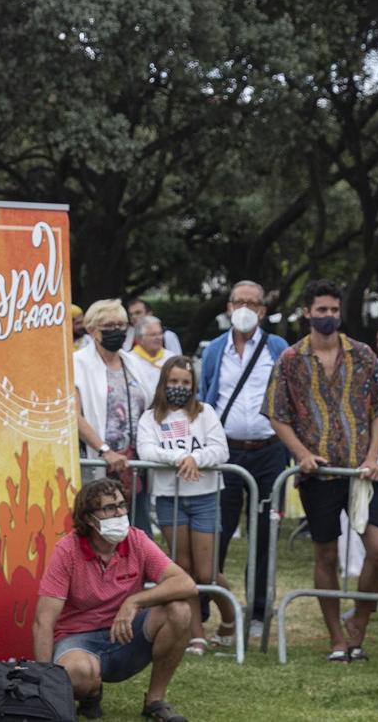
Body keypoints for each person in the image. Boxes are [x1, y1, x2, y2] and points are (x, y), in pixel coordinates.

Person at [266, 280, 378, 663]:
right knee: (325, 555)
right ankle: (337, 637)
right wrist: (302, 454)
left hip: (363, 473)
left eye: (333, 310)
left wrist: (373, 456)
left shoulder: (364, 354)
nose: (328, 316)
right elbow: (277, 414)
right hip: (319, 474)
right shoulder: (291, 358)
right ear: (307, 312)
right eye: (321, 310)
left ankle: (360, 625)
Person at [34, 476, 196, 722]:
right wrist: (45, 684)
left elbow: (185, 583)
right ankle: (91, 691)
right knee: (77, 674)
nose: (120, 513)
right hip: (78, 640)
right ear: (89, 518)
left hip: (126, 633)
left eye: (121, 505)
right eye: (110, 508)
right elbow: (43, 621)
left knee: (180, 610)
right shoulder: (67, 550)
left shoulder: (136, 539)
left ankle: (155, 700)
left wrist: (134, 602)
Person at [195, 280, 289, 648]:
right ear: (229, 307)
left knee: (264, 533)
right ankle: (202, 612)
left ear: (263, 310)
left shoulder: (278, 348)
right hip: (227, 452)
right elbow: (205, 397)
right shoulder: (215, 350)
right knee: (215, 531)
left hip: (269, 450)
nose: (245, 308)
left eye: (253, 302)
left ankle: (259, 612)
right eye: (239, 301)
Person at [136, 356, 228, 655]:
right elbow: (146, 449)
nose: (179, 387)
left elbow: (220, 449)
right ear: (164, 382)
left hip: (204, 496)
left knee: (207, 572)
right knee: (182, 570)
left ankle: (230, 618)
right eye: (173, 382)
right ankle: (195, 634)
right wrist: (178, 459)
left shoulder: (206, 413)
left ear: (193, 386)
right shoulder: (150, 418)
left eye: (185, 383)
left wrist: (195, 459)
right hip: (169, 498)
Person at [75, 298, 160, 531]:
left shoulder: (133, 362)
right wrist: (105, 450)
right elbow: (74, 416)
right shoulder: (77, 364)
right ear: (93, 330)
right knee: (102, 530)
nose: (117, 331)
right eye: (109, 326)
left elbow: (150, 405)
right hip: (99, 462)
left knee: (139, 532)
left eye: (121, 325)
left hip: (134, 464)